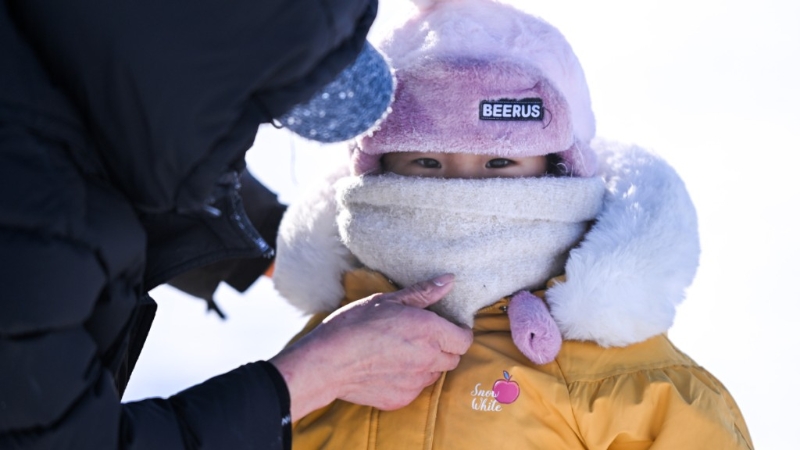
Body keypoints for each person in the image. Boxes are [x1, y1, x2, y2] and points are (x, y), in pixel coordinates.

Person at [271, 0, 754, 448]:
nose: (461, 191)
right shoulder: (319, 357)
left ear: (559, 169)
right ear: (374, 168)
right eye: (425, 162)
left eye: (499, 162)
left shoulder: (637, 392)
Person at [0, 0, 473, 448]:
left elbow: (145, 129)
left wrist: (281, 241)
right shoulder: (34, 215)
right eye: (260, 111)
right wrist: (316, 375)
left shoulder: (64, 50)